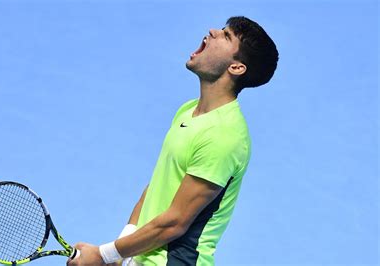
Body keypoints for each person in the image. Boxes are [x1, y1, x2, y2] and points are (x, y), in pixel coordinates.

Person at [68, 16, 279, 266]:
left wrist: (104, 254)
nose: (212, 31)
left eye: (226, 36)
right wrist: (122, 251)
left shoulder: (225, 136)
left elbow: (175, 222)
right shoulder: (188, 110)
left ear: (236, 67)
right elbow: (159, 184)